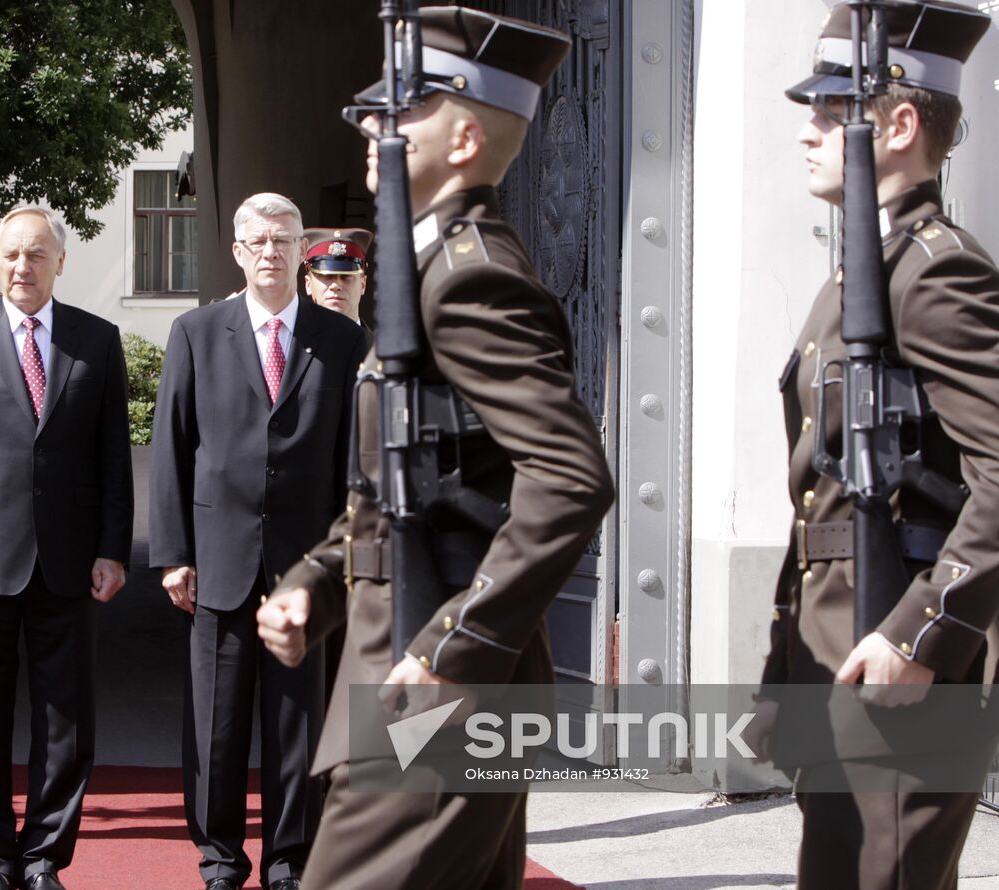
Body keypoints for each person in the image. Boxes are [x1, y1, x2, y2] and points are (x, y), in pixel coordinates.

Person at [256, 8, 614, 889]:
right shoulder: (427, 272)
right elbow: (416, 483)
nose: (375, 124)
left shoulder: (470, 275)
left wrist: (456, 646)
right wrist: (317, 579)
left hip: (439, 683)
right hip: (424, 663)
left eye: (403, 109)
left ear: (462, 136)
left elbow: (569, 477)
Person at [755, 3, 996, 887]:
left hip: (902, 668)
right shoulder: (869, 270)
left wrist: (920, 634)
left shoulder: (934, 270)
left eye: (829, 109)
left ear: (897, 123)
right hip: (848, 656)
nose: (808, 129)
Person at [150, 192, 367, 890]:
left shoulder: (340, 341)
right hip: (217, 556)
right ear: (238, 252)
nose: (271, 253)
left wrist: (347, 563)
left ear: (300, 252)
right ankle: (219, 857)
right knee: (215, 724)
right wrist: (173, 552)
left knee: (296, 721)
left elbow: (351, 462)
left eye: (283, 241)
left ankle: (288, 858)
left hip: (307, 565)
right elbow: (172, 448)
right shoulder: (195, 332)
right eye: (259, 242)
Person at [0, 204, 132, 890]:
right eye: (9, 254)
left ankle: (44, 857)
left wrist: (112, 548)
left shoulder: (97, 340)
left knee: (65, 722)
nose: (21, 267)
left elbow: (113, 460)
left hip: (69, 561)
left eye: (36, 254)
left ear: (60, 262)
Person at [301, 227, 372, 326]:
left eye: (346, 276)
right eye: (327, 275)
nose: (336, 285)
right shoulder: (286, 340)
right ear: (308, 284)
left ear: (363, 284)